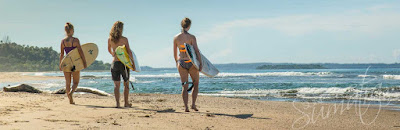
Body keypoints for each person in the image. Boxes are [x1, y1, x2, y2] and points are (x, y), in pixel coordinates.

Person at [173, 17, 203, 112]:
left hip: (181, 62)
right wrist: (200, 63)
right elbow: (196, 51)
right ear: (189, 26)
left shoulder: (176, 38)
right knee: (196, 84)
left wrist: (177, 62)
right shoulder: (192, 37)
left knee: (184, 86)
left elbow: (174, 54)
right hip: (191, 63)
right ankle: (193, 105)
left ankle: (186, 107)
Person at [108, 21, 134, 108]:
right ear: (121, 29)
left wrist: (113, 54)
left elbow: (109, 49)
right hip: (124, 64)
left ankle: (117, 104)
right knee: (126, 84)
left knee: (116, 85)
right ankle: (126, 103)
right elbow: (129, 52)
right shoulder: (124, 39)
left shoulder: (110, 39)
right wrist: (133, 63)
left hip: (114, 63)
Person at [59, 22, 87, 104]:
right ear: (71, 30)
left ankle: (70, 100)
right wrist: (84, 62)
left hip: (66, 63)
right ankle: (71, 93)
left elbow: (61, 54)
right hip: (75, 63)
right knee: (76, 82)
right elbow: (80, 52)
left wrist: (61, 64)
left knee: (68, 83)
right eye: (73, 30)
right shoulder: (75, 40)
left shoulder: (63, 41)